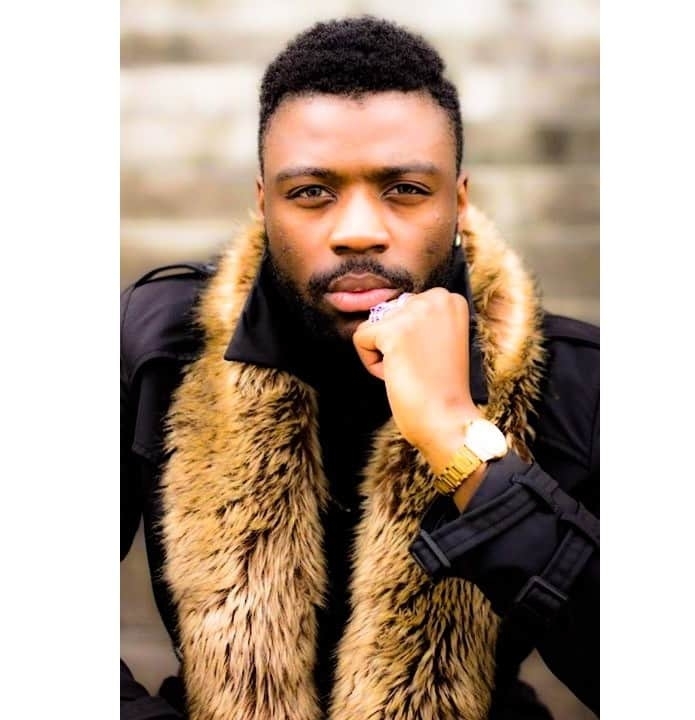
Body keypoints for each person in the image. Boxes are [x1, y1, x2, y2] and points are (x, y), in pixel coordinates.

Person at [121, 15, 599, 720]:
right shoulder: (159, 343)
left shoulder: (574, 382)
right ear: (264, 202)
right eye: (311, 192)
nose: (358, 232)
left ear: (459, 201)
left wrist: (459, 438)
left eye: (404, 189)